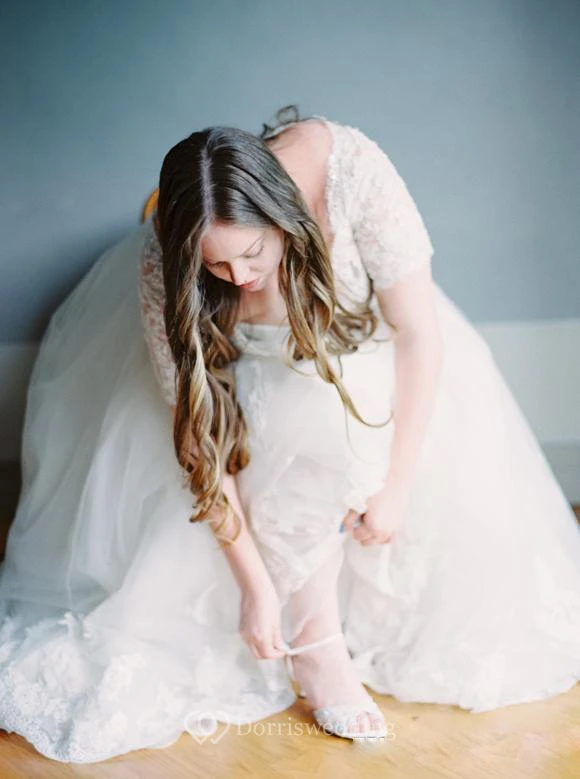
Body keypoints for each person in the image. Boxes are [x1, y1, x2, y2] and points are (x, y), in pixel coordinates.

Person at [1, 105, 579, 761]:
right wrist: (254, 587)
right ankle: (318, 643)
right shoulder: (165, 264)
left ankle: (327, 630)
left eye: (252, 253)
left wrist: (395, 487)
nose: (240, 278)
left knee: (332, 414)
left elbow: (420, 335)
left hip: (376, 358)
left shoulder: (351, 172)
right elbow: (199, 438)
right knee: (297, 423)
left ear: (284, 217)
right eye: (217, 266)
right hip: (250, 384)